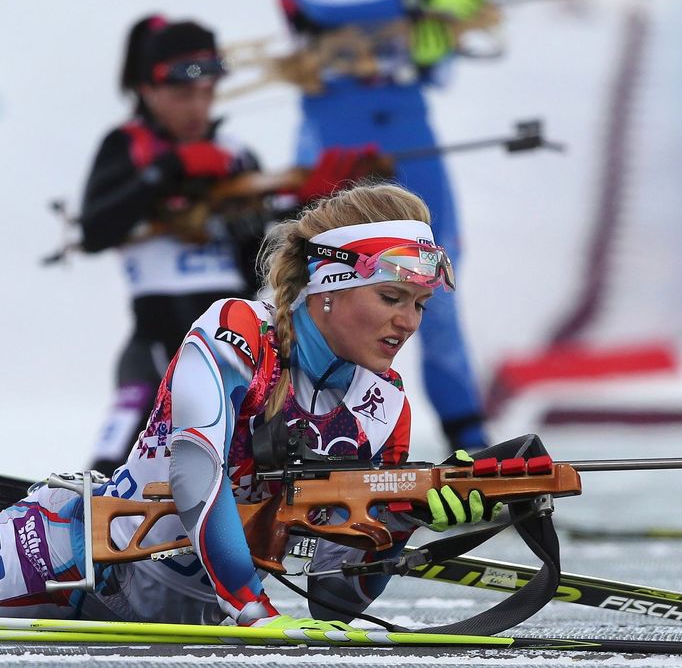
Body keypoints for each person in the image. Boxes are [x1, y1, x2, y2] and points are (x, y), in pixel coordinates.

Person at [0, 183, 499, 625]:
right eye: (392, 297)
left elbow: (332, 598)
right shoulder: (239, 331)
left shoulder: (386, 406)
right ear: (328, 285)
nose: (409, 322)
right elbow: (196, 473)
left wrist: (399, 518)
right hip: (59, 561)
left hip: (195, 619)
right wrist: (250, 606)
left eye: (419, 304)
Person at [274, 0, 492, 450]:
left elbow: (438, 65)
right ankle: (293, 423)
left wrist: (439, 37)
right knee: (323, 280)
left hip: (410, 132)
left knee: (437, 278)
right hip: (336, 134)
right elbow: (325, 0)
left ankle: (471, 440)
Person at [81, 17, 373, 476]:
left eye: (208, 93)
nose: (198, 107)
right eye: (183, 95)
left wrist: (308, 208)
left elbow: (257, 267)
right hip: (158, 342)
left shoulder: (238, 158)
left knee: (258, 461)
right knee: (110, 465)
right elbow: (95, 229)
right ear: (148, 89)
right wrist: (171, 168)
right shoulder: (129, 147)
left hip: (234, 343)